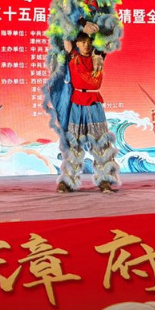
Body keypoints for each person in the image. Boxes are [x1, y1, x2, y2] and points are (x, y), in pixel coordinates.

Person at [57, 32, 120, 193]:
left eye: (89, 41)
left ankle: (105, 180)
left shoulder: (99, 56)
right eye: (82, 42)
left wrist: (96, 41)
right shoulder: (73, 56)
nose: (86, 45)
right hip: (77, 103)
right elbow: (67, 30)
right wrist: (81, 22)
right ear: (77, 43)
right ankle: (67, 181)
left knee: (101, 142)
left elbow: (108, 34)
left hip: (94, 103)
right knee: (73, 143)